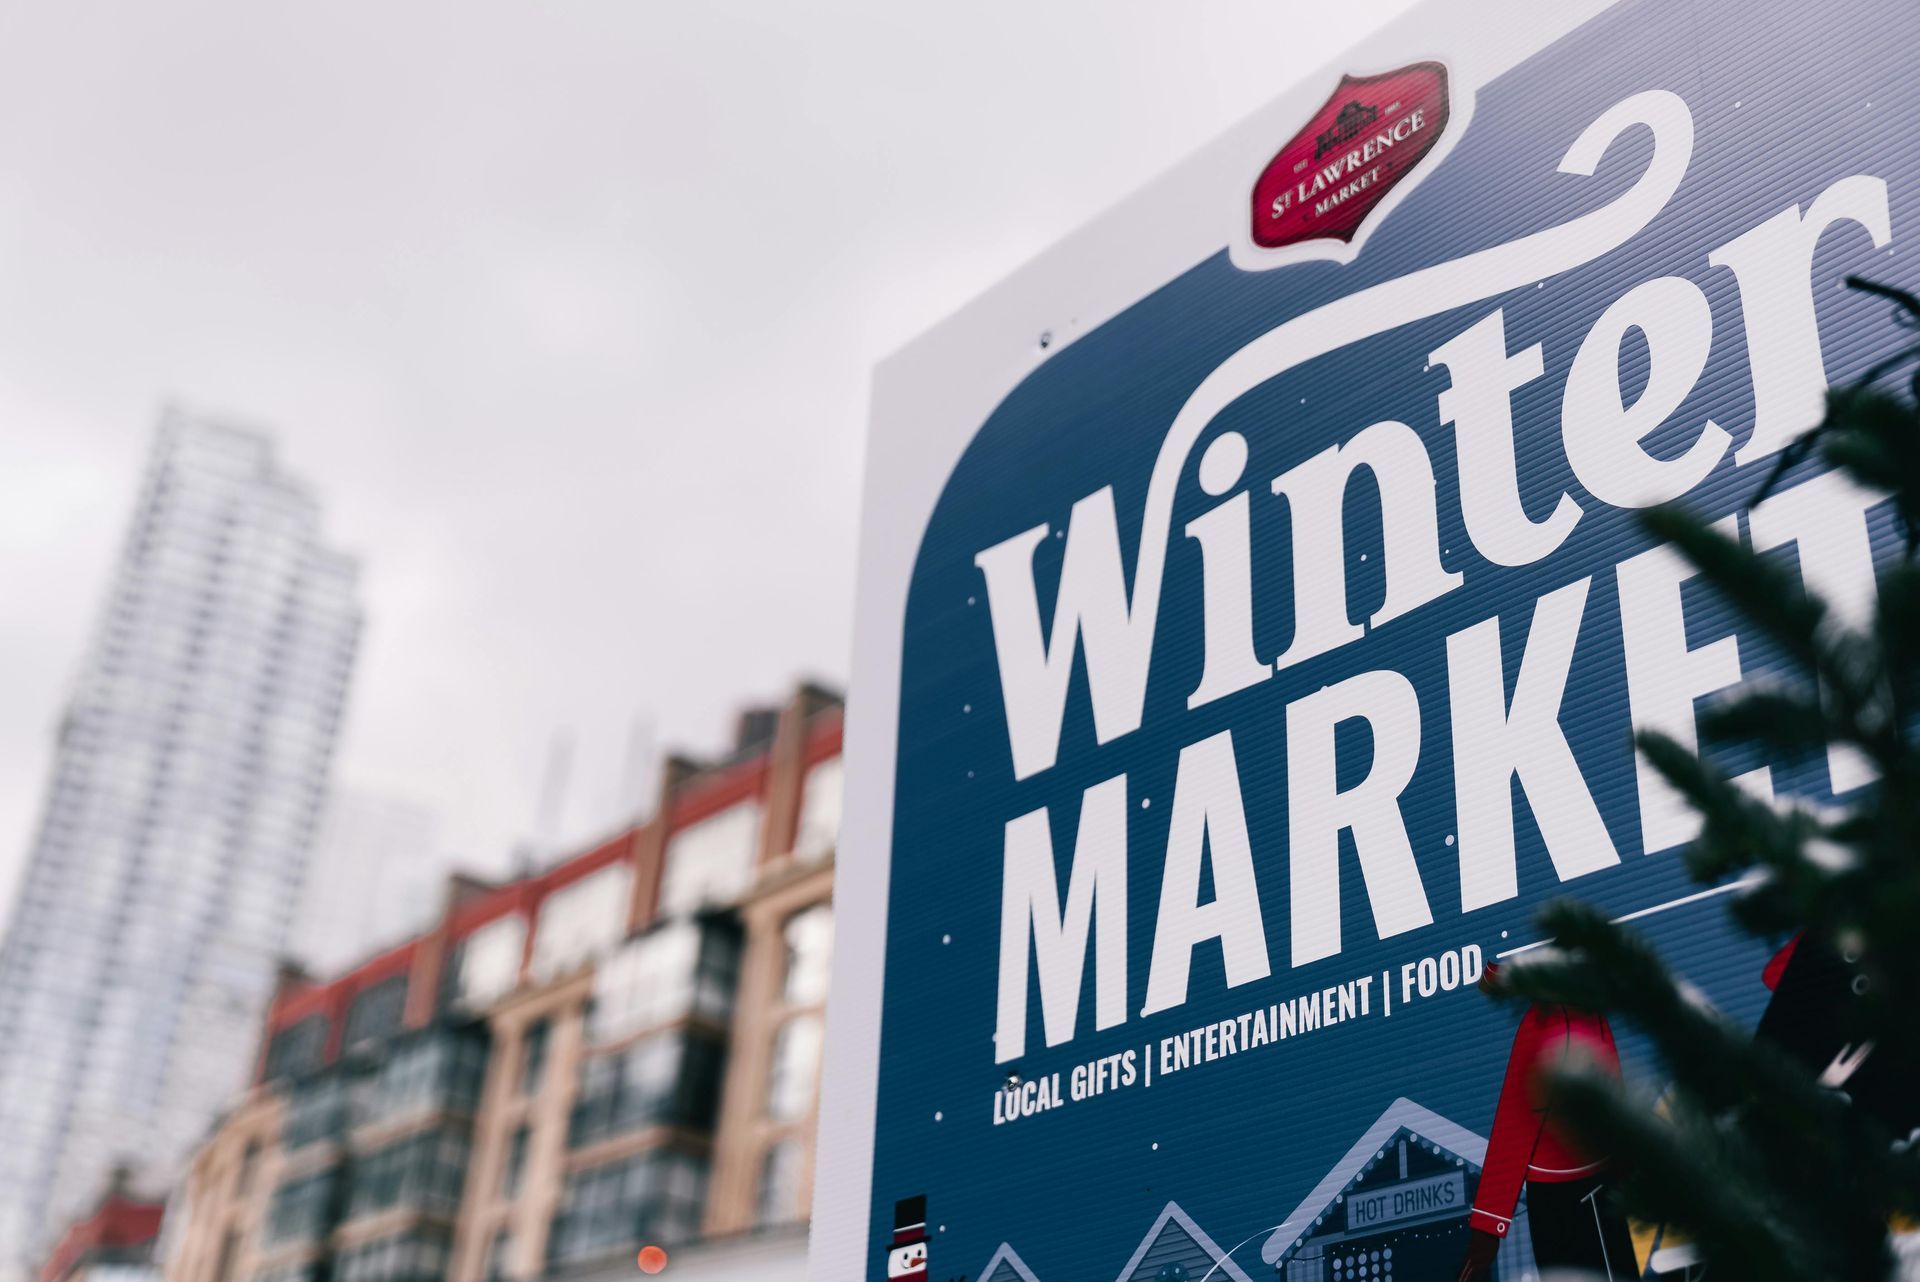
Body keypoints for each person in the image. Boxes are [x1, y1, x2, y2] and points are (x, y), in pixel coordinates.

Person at [1457, 964, 1637, 1282]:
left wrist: (1488, 1226)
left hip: (1578, 1190)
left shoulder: (1552, 1019)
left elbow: (1515, 1124)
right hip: (1570, 1188)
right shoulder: (1580, 1013)